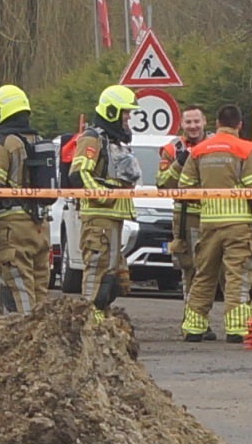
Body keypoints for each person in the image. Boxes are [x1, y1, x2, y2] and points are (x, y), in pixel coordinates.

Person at [178, 104, 252, 342]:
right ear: (239, 125)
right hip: (238, 226)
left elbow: (184, 187)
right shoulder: (245, 149)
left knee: (204, 275)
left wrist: (206, 203)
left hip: (208, 224)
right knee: (237, 276)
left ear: (217, 124)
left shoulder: (199, 150)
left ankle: (194, 328)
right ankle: (237, 329)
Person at [0, 85, 51, 312]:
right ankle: (44, 329)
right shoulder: (38, 140)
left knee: (19, 286)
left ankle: (26, 328)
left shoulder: (2, 145)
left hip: (14, 227)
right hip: (40, 225)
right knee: (40, 287)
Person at [71, 85, 140, 321]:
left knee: (111, 276)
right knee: (97, 271)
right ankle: (91, 320)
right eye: (125, 112)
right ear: (112, 112)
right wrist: (104, 196)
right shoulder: (92, 138)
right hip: (99, 217)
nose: (128, 117)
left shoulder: (115, 141)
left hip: (112, 218)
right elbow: (79, 173)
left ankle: (101, 319)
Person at [156, 106, 208, 301]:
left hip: (216, 216)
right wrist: (180, 162)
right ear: (181, 124)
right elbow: (162, 183)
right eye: (188, 122)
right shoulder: (172, 149)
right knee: (190, 268)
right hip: (187, 218)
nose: (193, 126)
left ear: (204, 122)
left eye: (197, 121)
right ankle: (192, 313)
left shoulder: (216, 145)